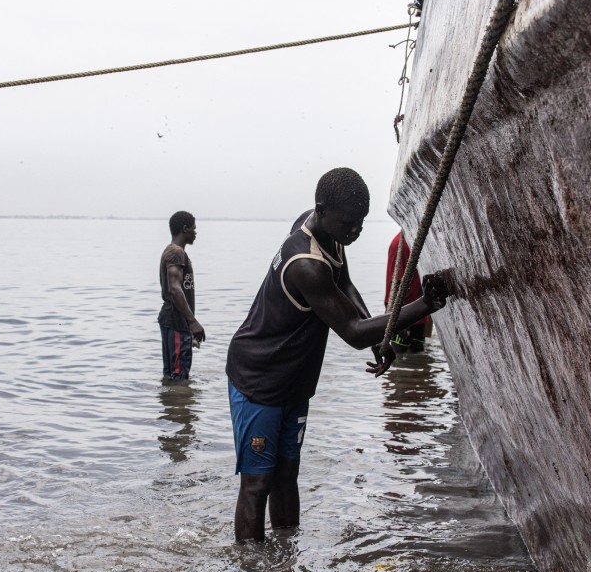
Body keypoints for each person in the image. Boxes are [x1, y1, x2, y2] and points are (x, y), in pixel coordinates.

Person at [225, 168, 449, 542]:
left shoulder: (326, 232)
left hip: (293, 382)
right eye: (349, 223)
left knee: (286, 474)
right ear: (321, 210)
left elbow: (343, 283)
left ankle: (285, 559)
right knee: (257, 482)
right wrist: (423, 304)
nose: (355, 231)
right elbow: (354, 334)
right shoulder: (307, 265)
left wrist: (380, 332)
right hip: (258, 378)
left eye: (361, 223)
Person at [158, 210, 206, 380]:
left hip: (173, 321)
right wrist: (192, 322)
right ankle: (179, 406)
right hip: (176, 322)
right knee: (179, 377)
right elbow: (175, 288)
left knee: (171, 375)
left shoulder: (174, 252)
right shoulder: (176, 253)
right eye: (194, 229)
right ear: (185, 229)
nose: (195, 233)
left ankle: (171, 406)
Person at [385, 231, 430, 353]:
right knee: (398, 359)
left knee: (418, 358)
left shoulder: (416, 242)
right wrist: (399, 321)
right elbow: (395, 285)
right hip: (404, 314)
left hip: (419, 313)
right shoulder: (400, 245)